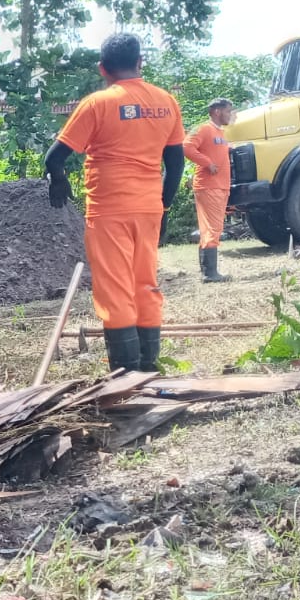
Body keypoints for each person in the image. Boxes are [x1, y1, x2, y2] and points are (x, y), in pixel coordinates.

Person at [45, 32, 186, 374]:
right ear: (140, 63)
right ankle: (149, 367)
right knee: (145, 283)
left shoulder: (98, 104)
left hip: (109, 210)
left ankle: (125, 373)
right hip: (149, 207)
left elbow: (54, 157)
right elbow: (177, 164)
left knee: (115, 290)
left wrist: (59, 181)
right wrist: (163, 206)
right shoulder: (166, 101)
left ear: (103, 69)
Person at [184, 98, 235, 283]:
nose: (230, 114)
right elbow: (186, 146)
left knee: (214, 228)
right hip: (209, 186)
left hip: (221, 186)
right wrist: (207, 163)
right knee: (211, 229)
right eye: (228, 111)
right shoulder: (204, 128)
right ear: (217, 111)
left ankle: (209, 272)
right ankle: (209, 274)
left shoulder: (220, 133)